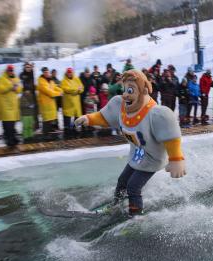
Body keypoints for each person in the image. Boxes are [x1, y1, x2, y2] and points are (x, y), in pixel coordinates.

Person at [74, 69, 186, 217]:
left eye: (131, 90)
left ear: (143, 91)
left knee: (133, 186)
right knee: (122, 181)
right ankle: (116, 205)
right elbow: (104, 117)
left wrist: (176, 159)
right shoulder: (120, 105)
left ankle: (136, 216)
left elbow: (171, 136)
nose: (126, 94)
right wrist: (89, 119)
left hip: (153, 158)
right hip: (137, 155)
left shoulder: (156, 114)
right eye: (125, 89)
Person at [0, 64, 22, 147]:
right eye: (9, 70)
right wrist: (10, 87)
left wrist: (16, 88)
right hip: (5, 105)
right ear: (6, 71)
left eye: (12, 70)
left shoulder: (15, 78)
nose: (11, 72)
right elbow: (0, 89)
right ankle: (9, 140)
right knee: (8, 124)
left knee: (12, 123)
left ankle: (13, 138)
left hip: (13, 105)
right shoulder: (1, 79)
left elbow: (19, 90)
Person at [38, 67, 63, 138]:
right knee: (46, 120)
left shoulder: (50, 80)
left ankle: (48, 133)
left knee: (50, 119)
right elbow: (49, 92)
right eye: (45, 72)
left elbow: (55, 87)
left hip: (51, 103)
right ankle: (45, 135)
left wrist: (61, 90)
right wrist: (58, 93)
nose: (46, 73)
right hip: (45, 104)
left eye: (47, 72)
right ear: (43, 73)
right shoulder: (41, 81)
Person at [60, 68, 84, 135]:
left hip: (76, 102)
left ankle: (75, 128)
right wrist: (77, 90)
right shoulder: (64, 81)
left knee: (77, 116)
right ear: (66, 73)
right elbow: (67, 89)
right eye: (68, 72)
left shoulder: (76, 79)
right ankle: (67, 130)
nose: (70, 73)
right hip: (68, 103)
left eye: (71, 72)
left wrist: (79, 90)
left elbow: (82, 87)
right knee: (67, 117)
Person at [19, 62, 39, 129]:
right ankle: (29, 126)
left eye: (29, 67)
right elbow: (21, 77)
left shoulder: (31, 73)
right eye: (27, 67)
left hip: (33, 94)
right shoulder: (23, 74)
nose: (28, 68)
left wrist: (32, 67)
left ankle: (36, 126)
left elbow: (32, 72)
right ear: (24, 67)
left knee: (35, 110)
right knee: (29, 111)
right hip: (27, 96)